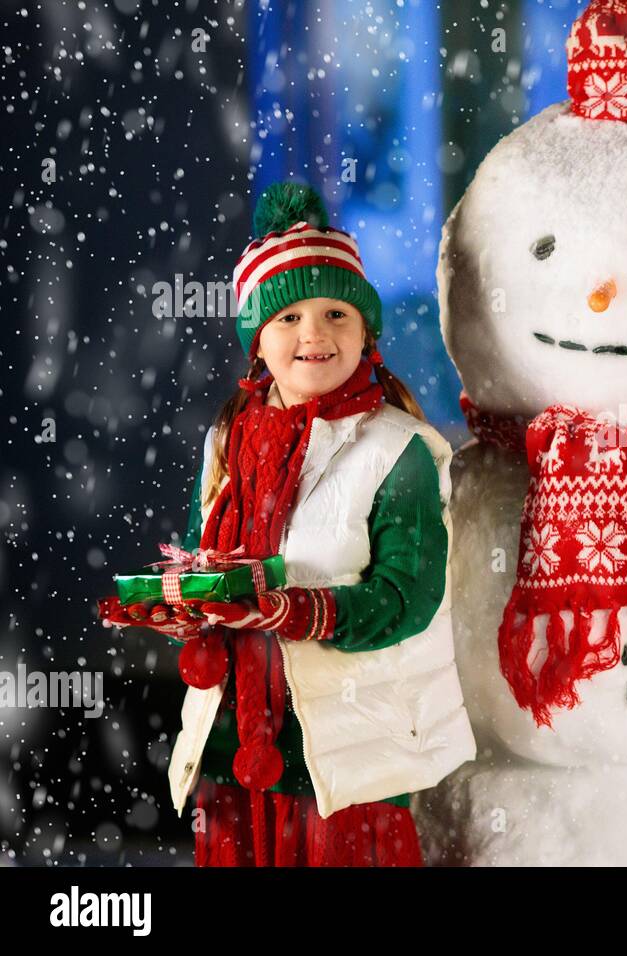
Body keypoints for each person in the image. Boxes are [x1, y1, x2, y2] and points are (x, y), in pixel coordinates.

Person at [98, 181, 475, 866]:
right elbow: (204, 563)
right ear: (257, 340)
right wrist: (180, 605)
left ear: (367, 333)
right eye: (288, 317)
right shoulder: (225, 440)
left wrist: (297, 610)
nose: (314, 334)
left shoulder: (402, 450)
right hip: (234, 738)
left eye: (336, 313)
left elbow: (409, 598)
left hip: (343, 750)